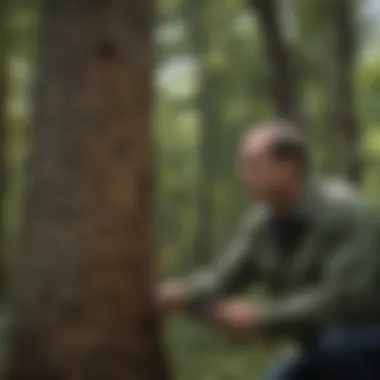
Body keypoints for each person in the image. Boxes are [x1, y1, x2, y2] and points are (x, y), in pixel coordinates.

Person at [156, 119, 380, 380]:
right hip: (316, 345)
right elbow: (224, 278)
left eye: (253, 164)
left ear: (290, 166)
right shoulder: (261, 223)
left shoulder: (346, 212)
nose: (244, 175)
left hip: (364, 338)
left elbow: (343, 300)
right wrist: (181, 293)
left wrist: (261, 318)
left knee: (338, 347)